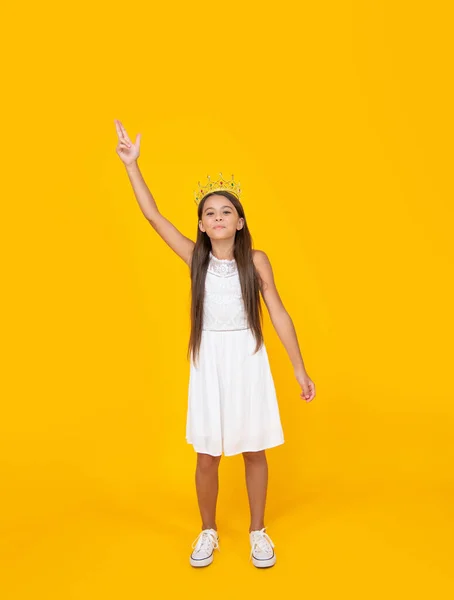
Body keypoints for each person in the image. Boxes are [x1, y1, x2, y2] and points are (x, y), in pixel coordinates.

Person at [114, 119, 316, 569]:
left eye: (226, 211)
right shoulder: (195, 259)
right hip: (210, 361)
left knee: (254, 448)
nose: (218, 217)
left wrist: (299, 368)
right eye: (210, 213)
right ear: (202, 227)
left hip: (248, 358)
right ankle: (208, 530)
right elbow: (153, 216)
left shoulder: (257, 260)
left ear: (240, 222)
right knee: (206, 454)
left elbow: (279, 315)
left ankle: (258, 532)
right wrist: (133, 166)